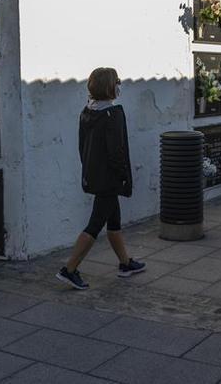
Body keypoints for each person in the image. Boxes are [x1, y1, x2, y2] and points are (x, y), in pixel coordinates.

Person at [57, 67, 146, 290]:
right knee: (95, 224)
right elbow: (117, 151)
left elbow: (81, 147)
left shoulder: (87, 113)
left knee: (113, 220)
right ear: (110, 86)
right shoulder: (113, 114)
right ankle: (69, 269)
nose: (119, 85)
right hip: (109, 178)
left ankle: (125, 264)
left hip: (95, 175)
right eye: (117, 81)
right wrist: (124, 177)